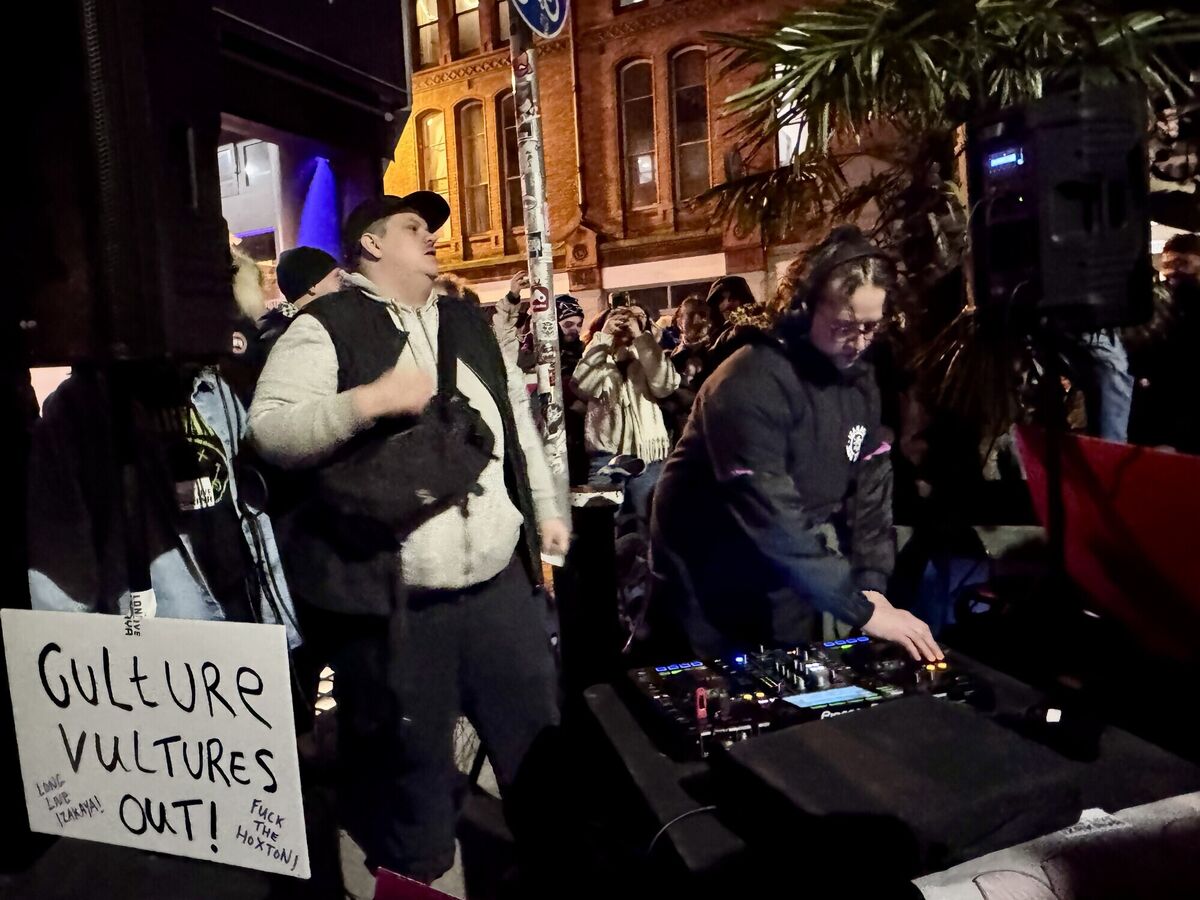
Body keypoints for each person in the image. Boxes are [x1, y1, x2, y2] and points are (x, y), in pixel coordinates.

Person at [247, 192, 569, 885]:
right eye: (413, 227)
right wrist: (368, 402)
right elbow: (269, 429)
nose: (431, 238)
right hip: (397, 609)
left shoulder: (466, 321)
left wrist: (545, 507)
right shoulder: (325, 327)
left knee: (541, 762)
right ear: (371, 243)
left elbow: (515, 423)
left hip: (499, 595)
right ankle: (417, 875)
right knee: (411, 790)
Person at [652, 226, 942, 663]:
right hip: (704, 577)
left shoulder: (858, 379)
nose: (859, 342)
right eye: (843, 326)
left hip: (786, 576)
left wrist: (871, 584)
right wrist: (860, 610)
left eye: (870, 326)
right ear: (803, 311)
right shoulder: (748, 381)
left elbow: (871, 486)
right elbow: (770, 512)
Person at [573, 298, 680, 526]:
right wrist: (603, 337)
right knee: (600, 527)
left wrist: (641, 339)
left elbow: (665, 385)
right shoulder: (599, 357)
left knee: (646, 526)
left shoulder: (650, 356)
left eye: (637, 317)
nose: (627, 322)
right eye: (620, 317)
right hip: (604, 457)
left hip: (648, 457)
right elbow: (582, 385)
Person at [259, 246, 344, 352]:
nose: (345, 281)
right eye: (337, 276)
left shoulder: (282, 324)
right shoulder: (301, 335)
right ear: (312, 285)